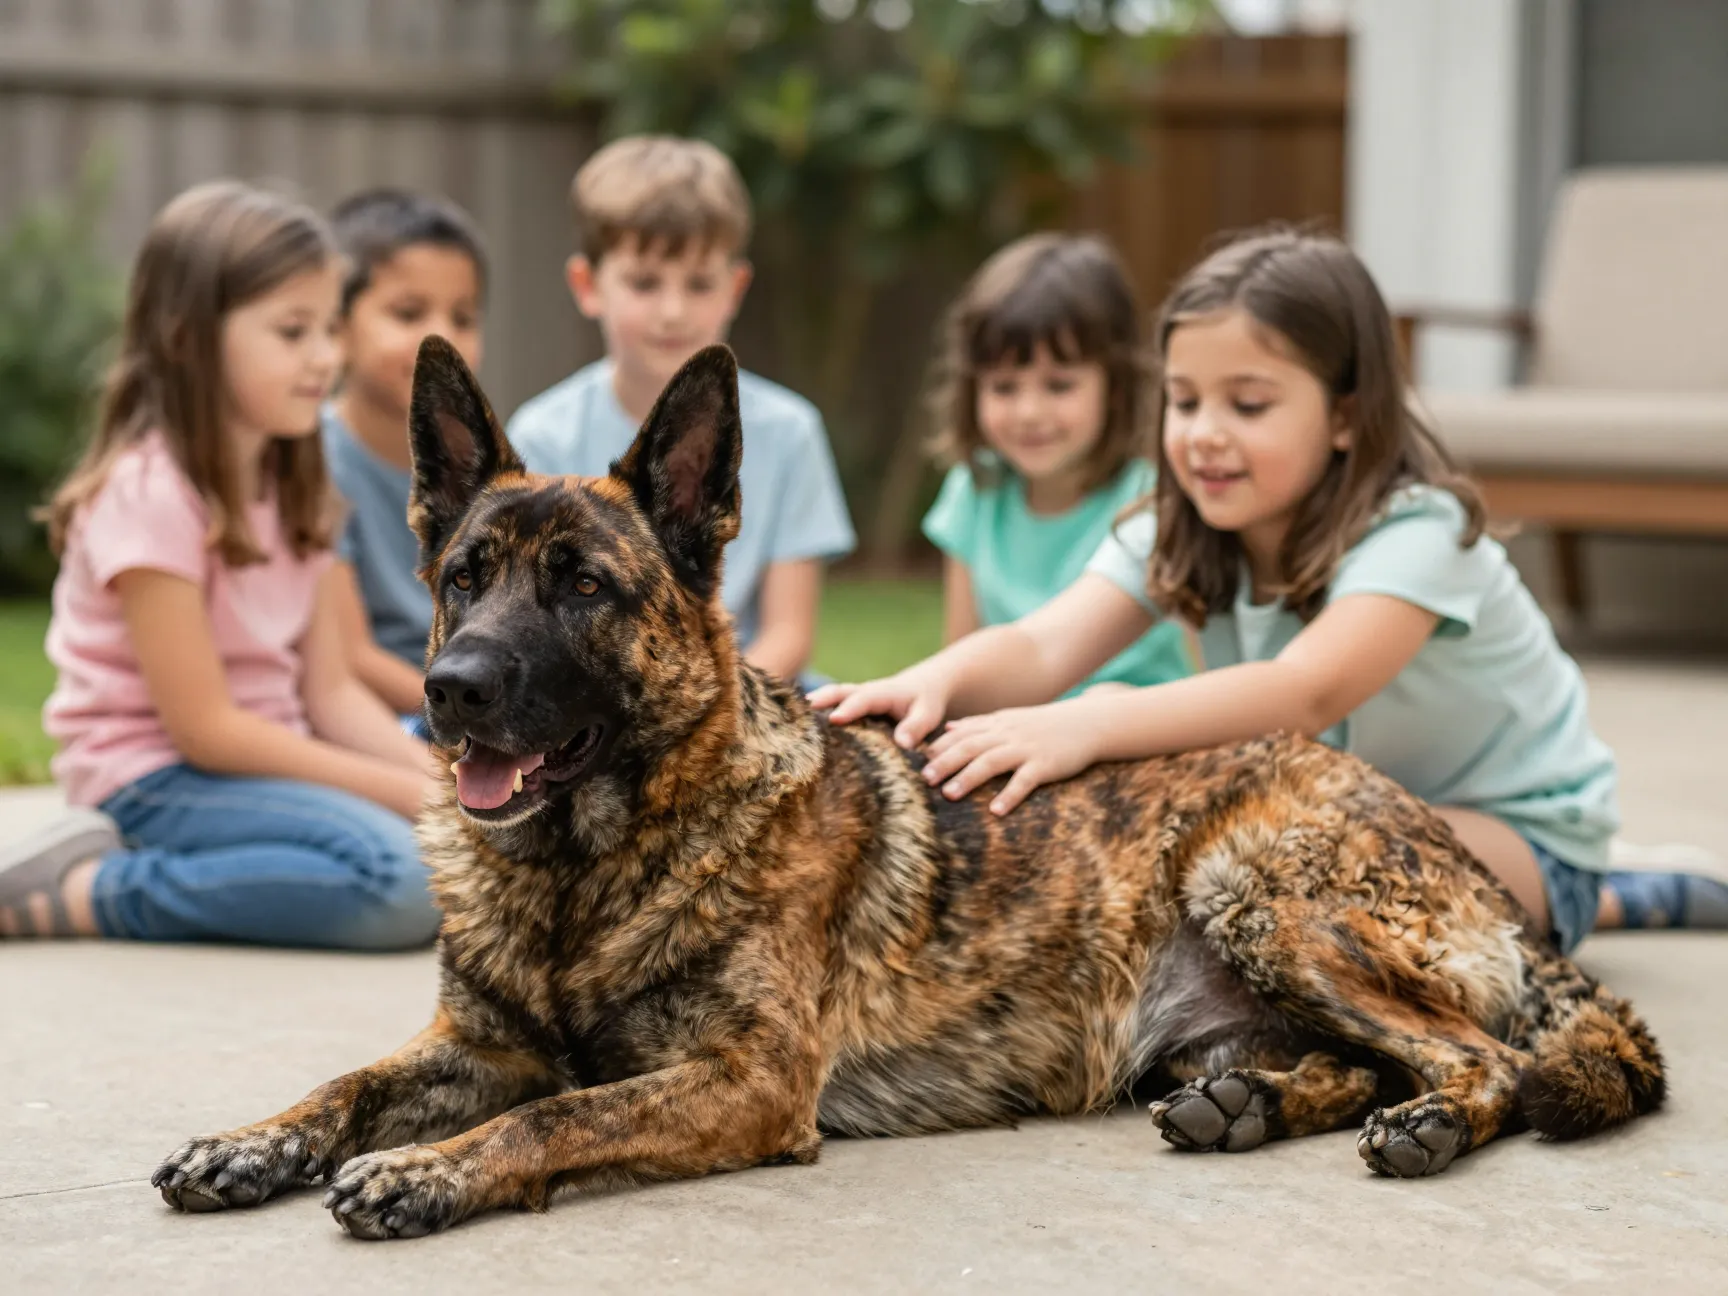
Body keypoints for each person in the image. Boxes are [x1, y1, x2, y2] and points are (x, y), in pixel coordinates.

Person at [814, 227, 1728, 954]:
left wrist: (1087, 720)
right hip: (1348, 814)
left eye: (1247, 406)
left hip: (1517, 838)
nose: (1205, 434)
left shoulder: (1419, 534)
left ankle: (1590, 900)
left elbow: (1305, 691)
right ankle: (1626, 901)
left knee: (1276, 874)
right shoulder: (1175, 524)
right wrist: (933, 679)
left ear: (1343, 414)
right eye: (1184, 401)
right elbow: (1045, 644)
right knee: (1266, 871)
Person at [0, 181, 440, 947]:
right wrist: (408, 796)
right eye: (292, 331)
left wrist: (431, 780)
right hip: (153, 777)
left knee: (457, 824)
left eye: (329, 329)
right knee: (401, 880)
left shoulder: (300, 484)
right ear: (188, 337)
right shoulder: (151, 494)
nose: (324, 358)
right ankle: (88, 891)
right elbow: (204, 729)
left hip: (261, 758)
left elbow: (331, 691)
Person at [505, 135, 855, 686]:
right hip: (603, 687)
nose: (673, 311)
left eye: (699, 284)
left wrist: (703, 711)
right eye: (644, 283)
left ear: (735, 289)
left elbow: (789, 634)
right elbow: (541, 618)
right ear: (588, 285)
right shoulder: (543, 434)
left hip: (750, 684)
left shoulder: (791, 432)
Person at [921, 233, 1192, 691]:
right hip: (1012, 728)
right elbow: (959, 657)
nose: (1029, 413)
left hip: (1135, 727)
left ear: (1117, 385)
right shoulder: (974, 489)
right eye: (1004, 387)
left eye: (1059, 385)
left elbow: (1203, 678)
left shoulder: (1154, 500)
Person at [322, 188, 489, 732]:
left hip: (478, 688)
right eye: (408, 312)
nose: (442, 335)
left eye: (462, 316)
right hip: (391, 712)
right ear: (338, 326)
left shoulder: (480, 463)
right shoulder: (317, 461)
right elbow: (352, 657)